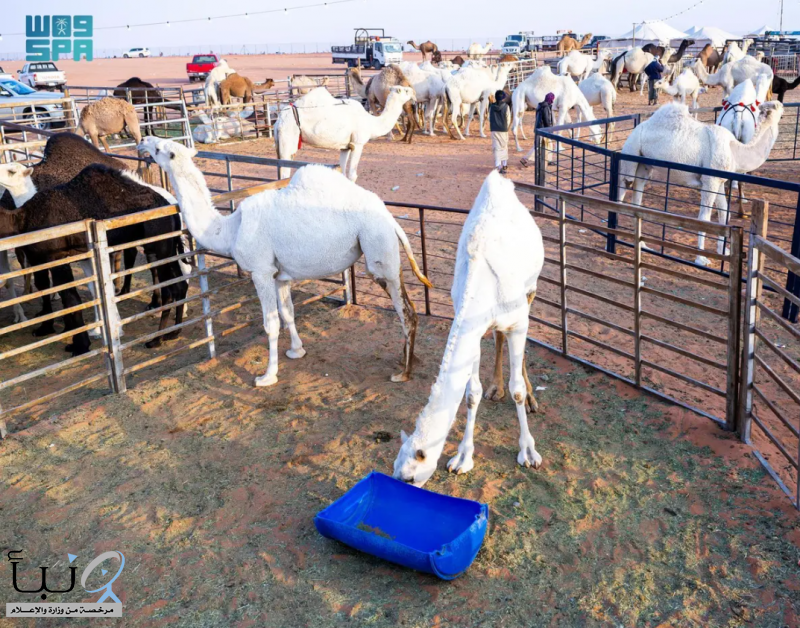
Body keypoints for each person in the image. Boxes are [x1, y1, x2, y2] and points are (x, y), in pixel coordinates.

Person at [520, 92, 555, 168]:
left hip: (539, 128)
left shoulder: (541, 105)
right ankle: (525, 159)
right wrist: (550, 130)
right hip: (544, 129)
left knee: (546, 145)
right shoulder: (545, 107)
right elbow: (546, 120)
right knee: (539, 146)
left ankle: (548, 160)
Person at [488, 89, 511, 174]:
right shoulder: (506, 107)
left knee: (496, 148)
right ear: (503, 98)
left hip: (494, 130)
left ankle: (498, 166)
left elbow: (489, 118)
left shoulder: (491, 107)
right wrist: (506, 127)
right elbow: (508, 119)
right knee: (504, 147)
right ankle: (504, 165)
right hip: (503, 130)